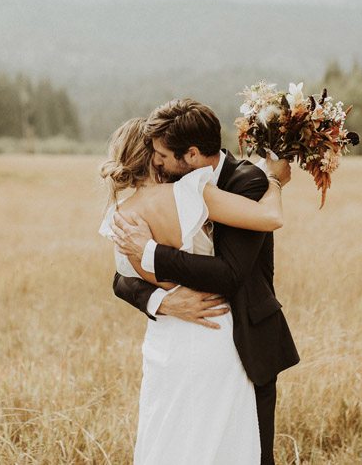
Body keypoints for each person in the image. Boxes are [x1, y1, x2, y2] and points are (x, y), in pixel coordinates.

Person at [110, 99, 300, 465]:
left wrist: (151, 253)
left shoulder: (247, 182)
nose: (158, 162)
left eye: (163, 155)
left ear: (192, 155)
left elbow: (230, 274)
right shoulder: (178, 188)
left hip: (245, 338)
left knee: (250, 453)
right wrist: (161, 302)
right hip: (183, 336)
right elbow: (121, 278)